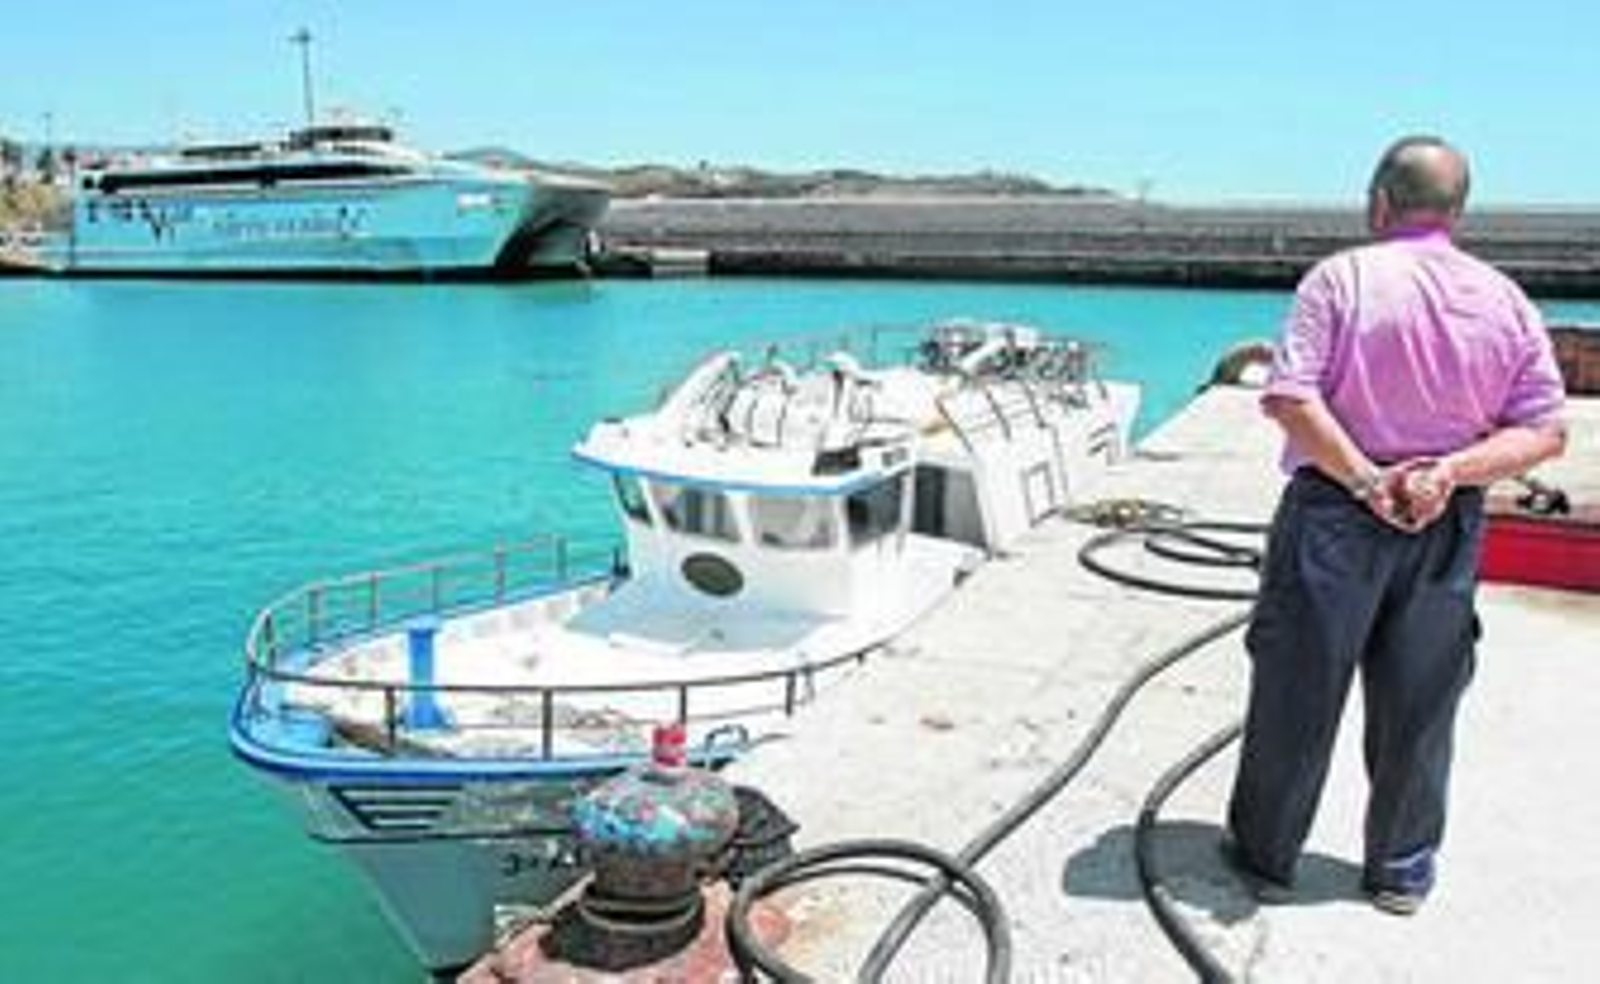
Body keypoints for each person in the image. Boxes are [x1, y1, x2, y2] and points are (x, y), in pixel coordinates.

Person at [1222, 135, 1568, 915]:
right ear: (1458, 212)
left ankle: (1267, 854)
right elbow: (1545, 429)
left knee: (1297, 687)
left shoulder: (1339, 280)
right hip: (1445, 518)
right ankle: (1401, 869)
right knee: (1422, 699)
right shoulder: (1506, 299)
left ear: (1379, 203)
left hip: (1335, 512)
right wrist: (1448, 472)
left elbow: (1290, 397)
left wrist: (1369, 479)